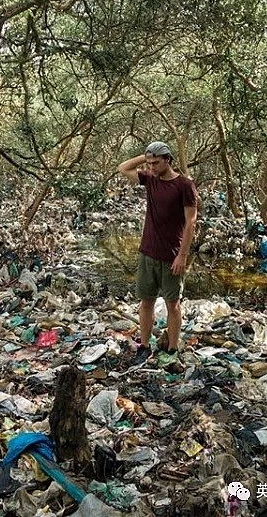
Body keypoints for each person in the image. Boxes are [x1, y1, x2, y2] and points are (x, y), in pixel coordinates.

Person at [118, 141, 198, 366]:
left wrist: (182, 255)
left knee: (173, 304)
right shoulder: (150, 180)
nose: (151, 166)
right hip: (148, 252)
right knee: (146, 302)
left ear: (168, 160)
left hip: (172, 255)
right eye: (149, 162)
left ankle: (172, 349)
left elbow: (191, 222)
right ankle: (144, 346)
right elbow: (123, 168)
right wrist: (146, 157)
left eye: (156, 162)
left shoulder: (184, 185)